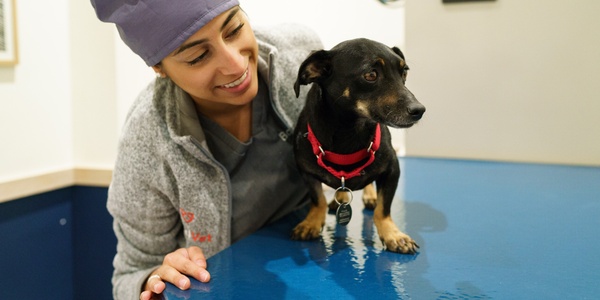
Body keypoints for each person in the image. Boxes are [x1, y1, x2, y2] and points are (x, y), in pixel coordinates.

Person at [90, 1, 323, 299]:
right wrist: (153, 281)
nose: (236, 65)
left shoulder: (298, 55)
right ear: (159, 68)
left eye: (235, 29)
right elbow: (129, 276)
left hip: (317, 267)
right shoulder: (148, 139)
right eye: (198, 57)